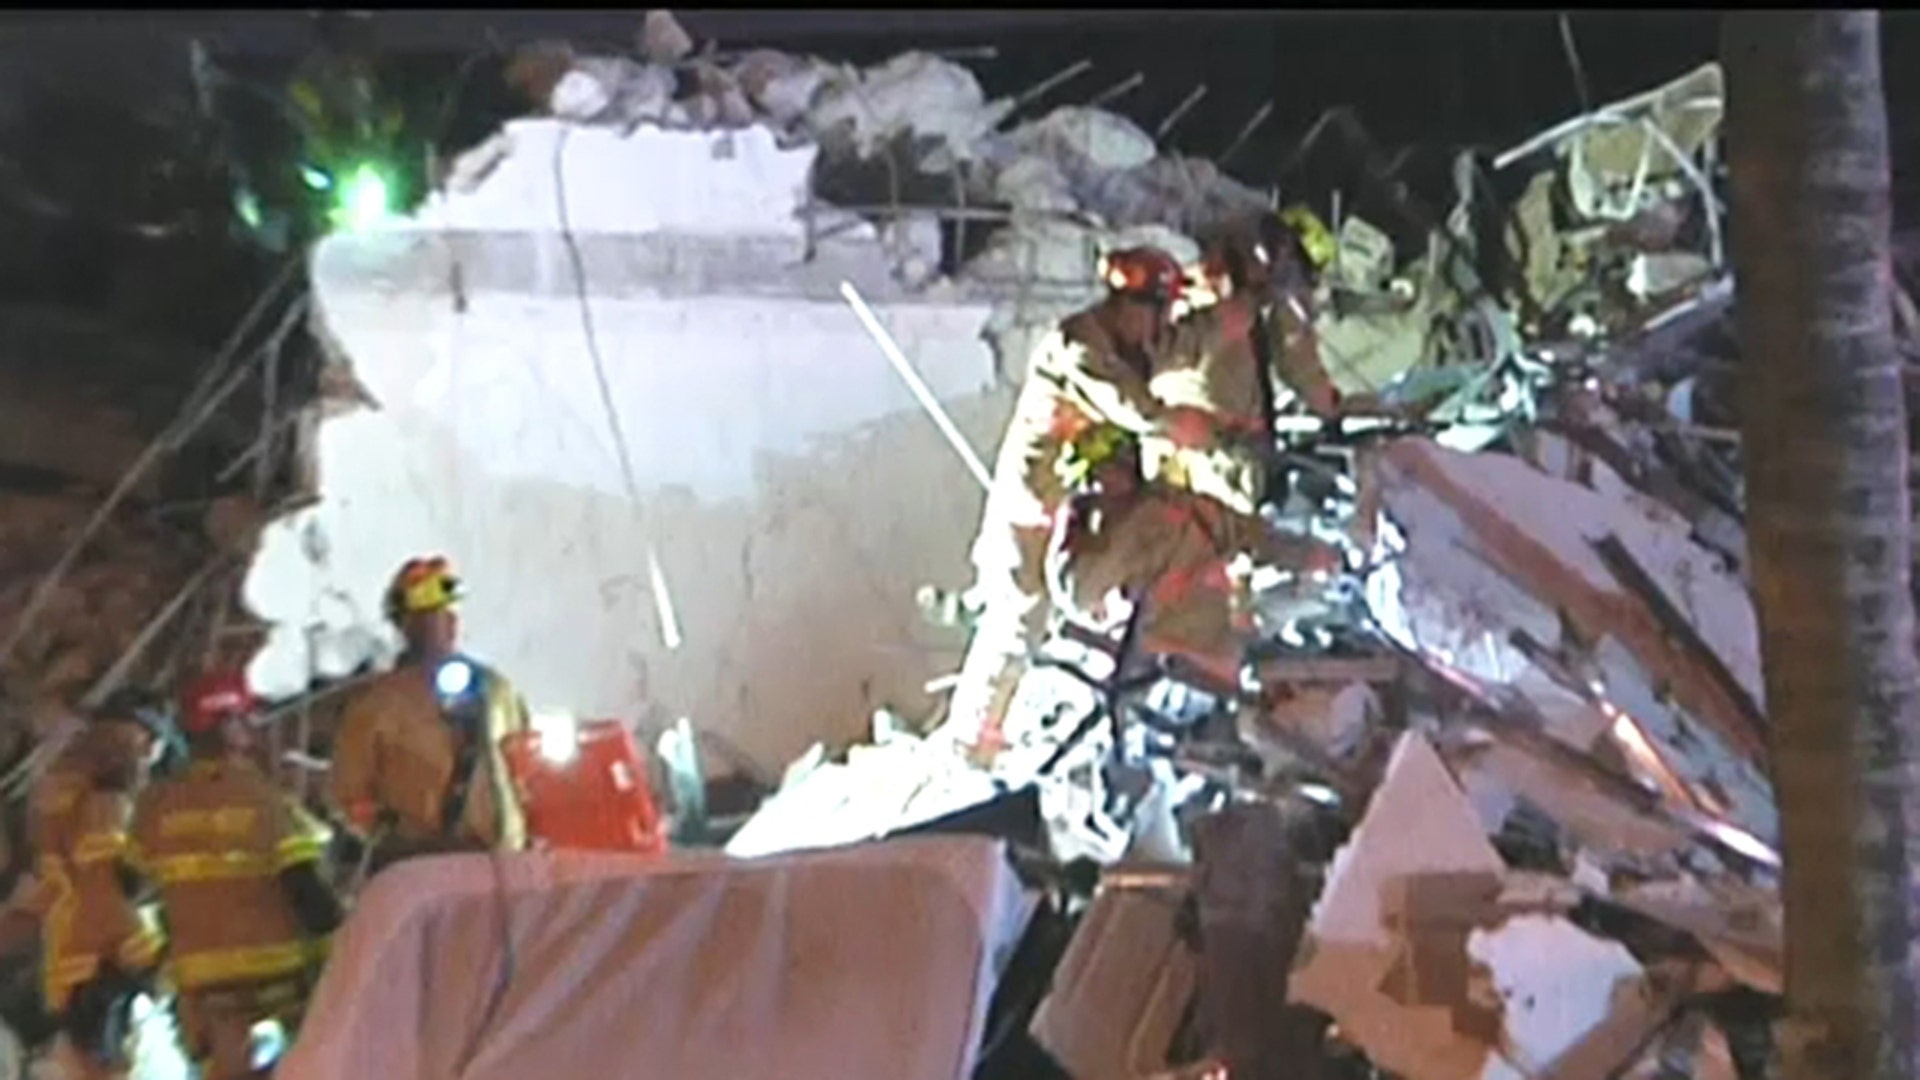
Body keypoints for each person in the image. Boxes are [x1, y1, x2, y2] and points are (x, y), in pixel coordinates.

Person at [948, 247, 1221, 760]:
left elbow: (1178, 347)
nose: (1160, 324)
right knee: (1019, 616)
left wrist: (1223, 317)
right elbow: (1132, 408)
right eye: (1157, 310)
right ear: (1128, 305)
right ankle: (973, 742)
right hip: (1034, 505)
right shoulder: (1077, 346)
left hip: (1079, 508)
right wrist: (1178, 423)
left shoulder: (1129, 342)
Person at [128, 671, 341, 1080]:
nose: (250, 727)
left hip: (202, 989)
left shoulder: (156, 805)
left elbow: (128, 884)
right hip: (276, 980)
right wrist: (342, 945)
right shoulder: (261, 798)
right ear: (225, 725)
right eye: (243, 718)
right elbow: (305, 888)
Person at [1044, 424, 1344, 691]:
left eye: (1122, 460)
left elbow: (1246, 535)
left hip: (1217, 652)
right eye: (1103, 471)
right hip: (1165, 678)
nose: (1117, 474)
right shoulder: (1083, 557)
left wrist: (1310, 555)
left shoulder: (1174, 506)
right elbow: (1081, 601)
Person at [329, 556, 531, 874]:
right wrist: (397, 841)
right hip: (424, 876)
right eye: (425, 615)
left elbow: (528, 771)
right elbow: (349, 798)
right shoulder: (377, 706)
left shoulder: (496, 691)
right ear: (404, 625)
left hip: (504, 870)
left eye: (444, 612)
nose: (440, 621)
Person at [27, 700, 164, 1080]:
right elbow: (103, 888)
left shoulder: (58, 793)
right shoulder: (107, 803)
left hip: (68, 954)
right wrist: (143, 952)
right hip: (101, 963)